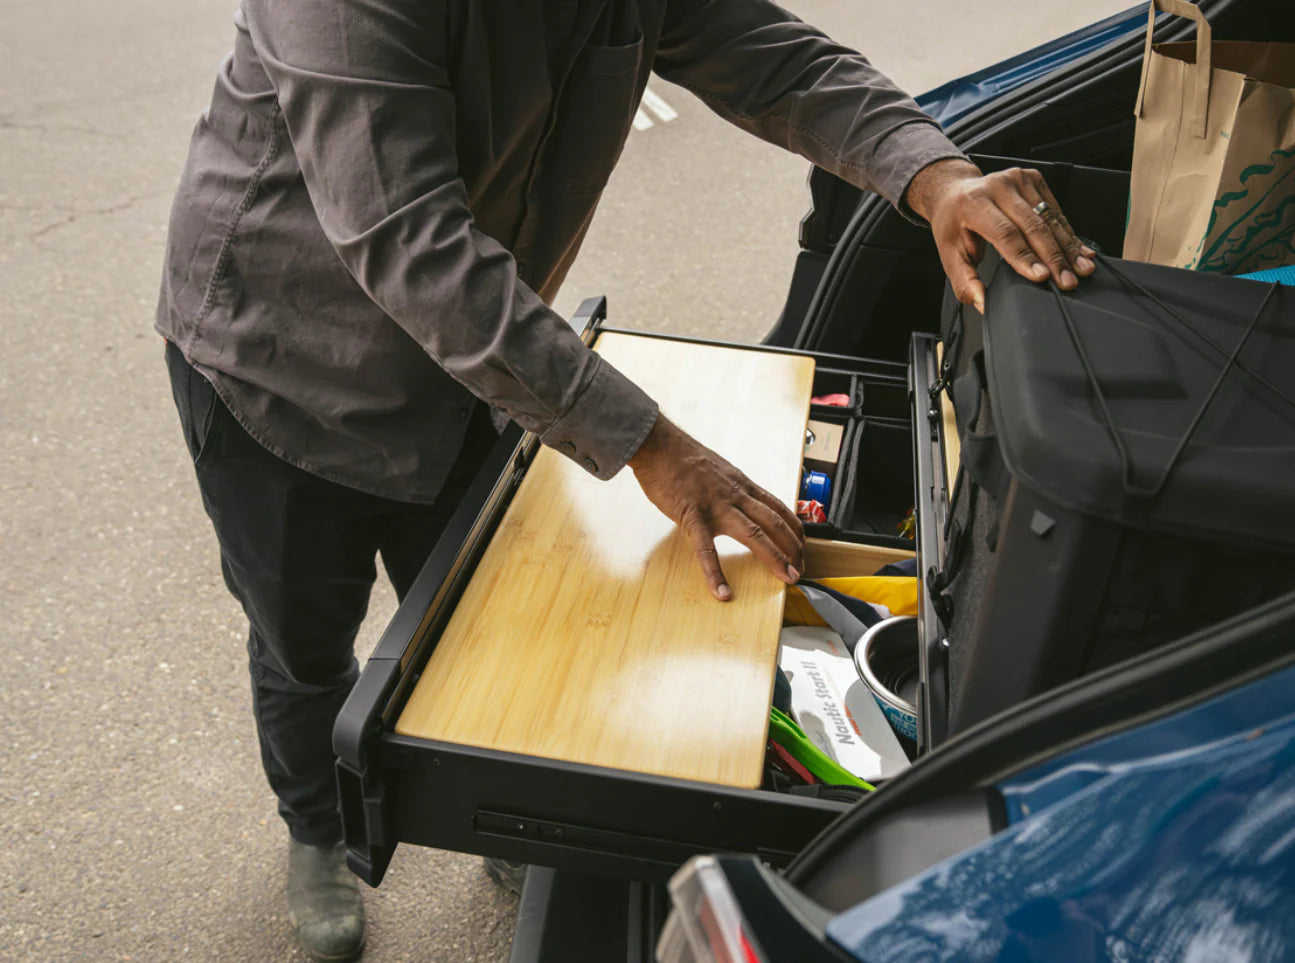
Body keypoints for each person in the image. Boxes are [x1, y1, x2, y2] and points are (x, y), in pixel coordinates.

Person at [156, 0, 1094, 958]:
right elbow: (409, 241)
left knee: (480, 623)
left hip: (478, 361)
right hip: (279, 366)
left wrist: (933, 176)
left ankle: (492, 808)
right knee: (303, 644)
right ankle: (317, 828)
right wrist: (652, 444)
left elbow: (775, 61)